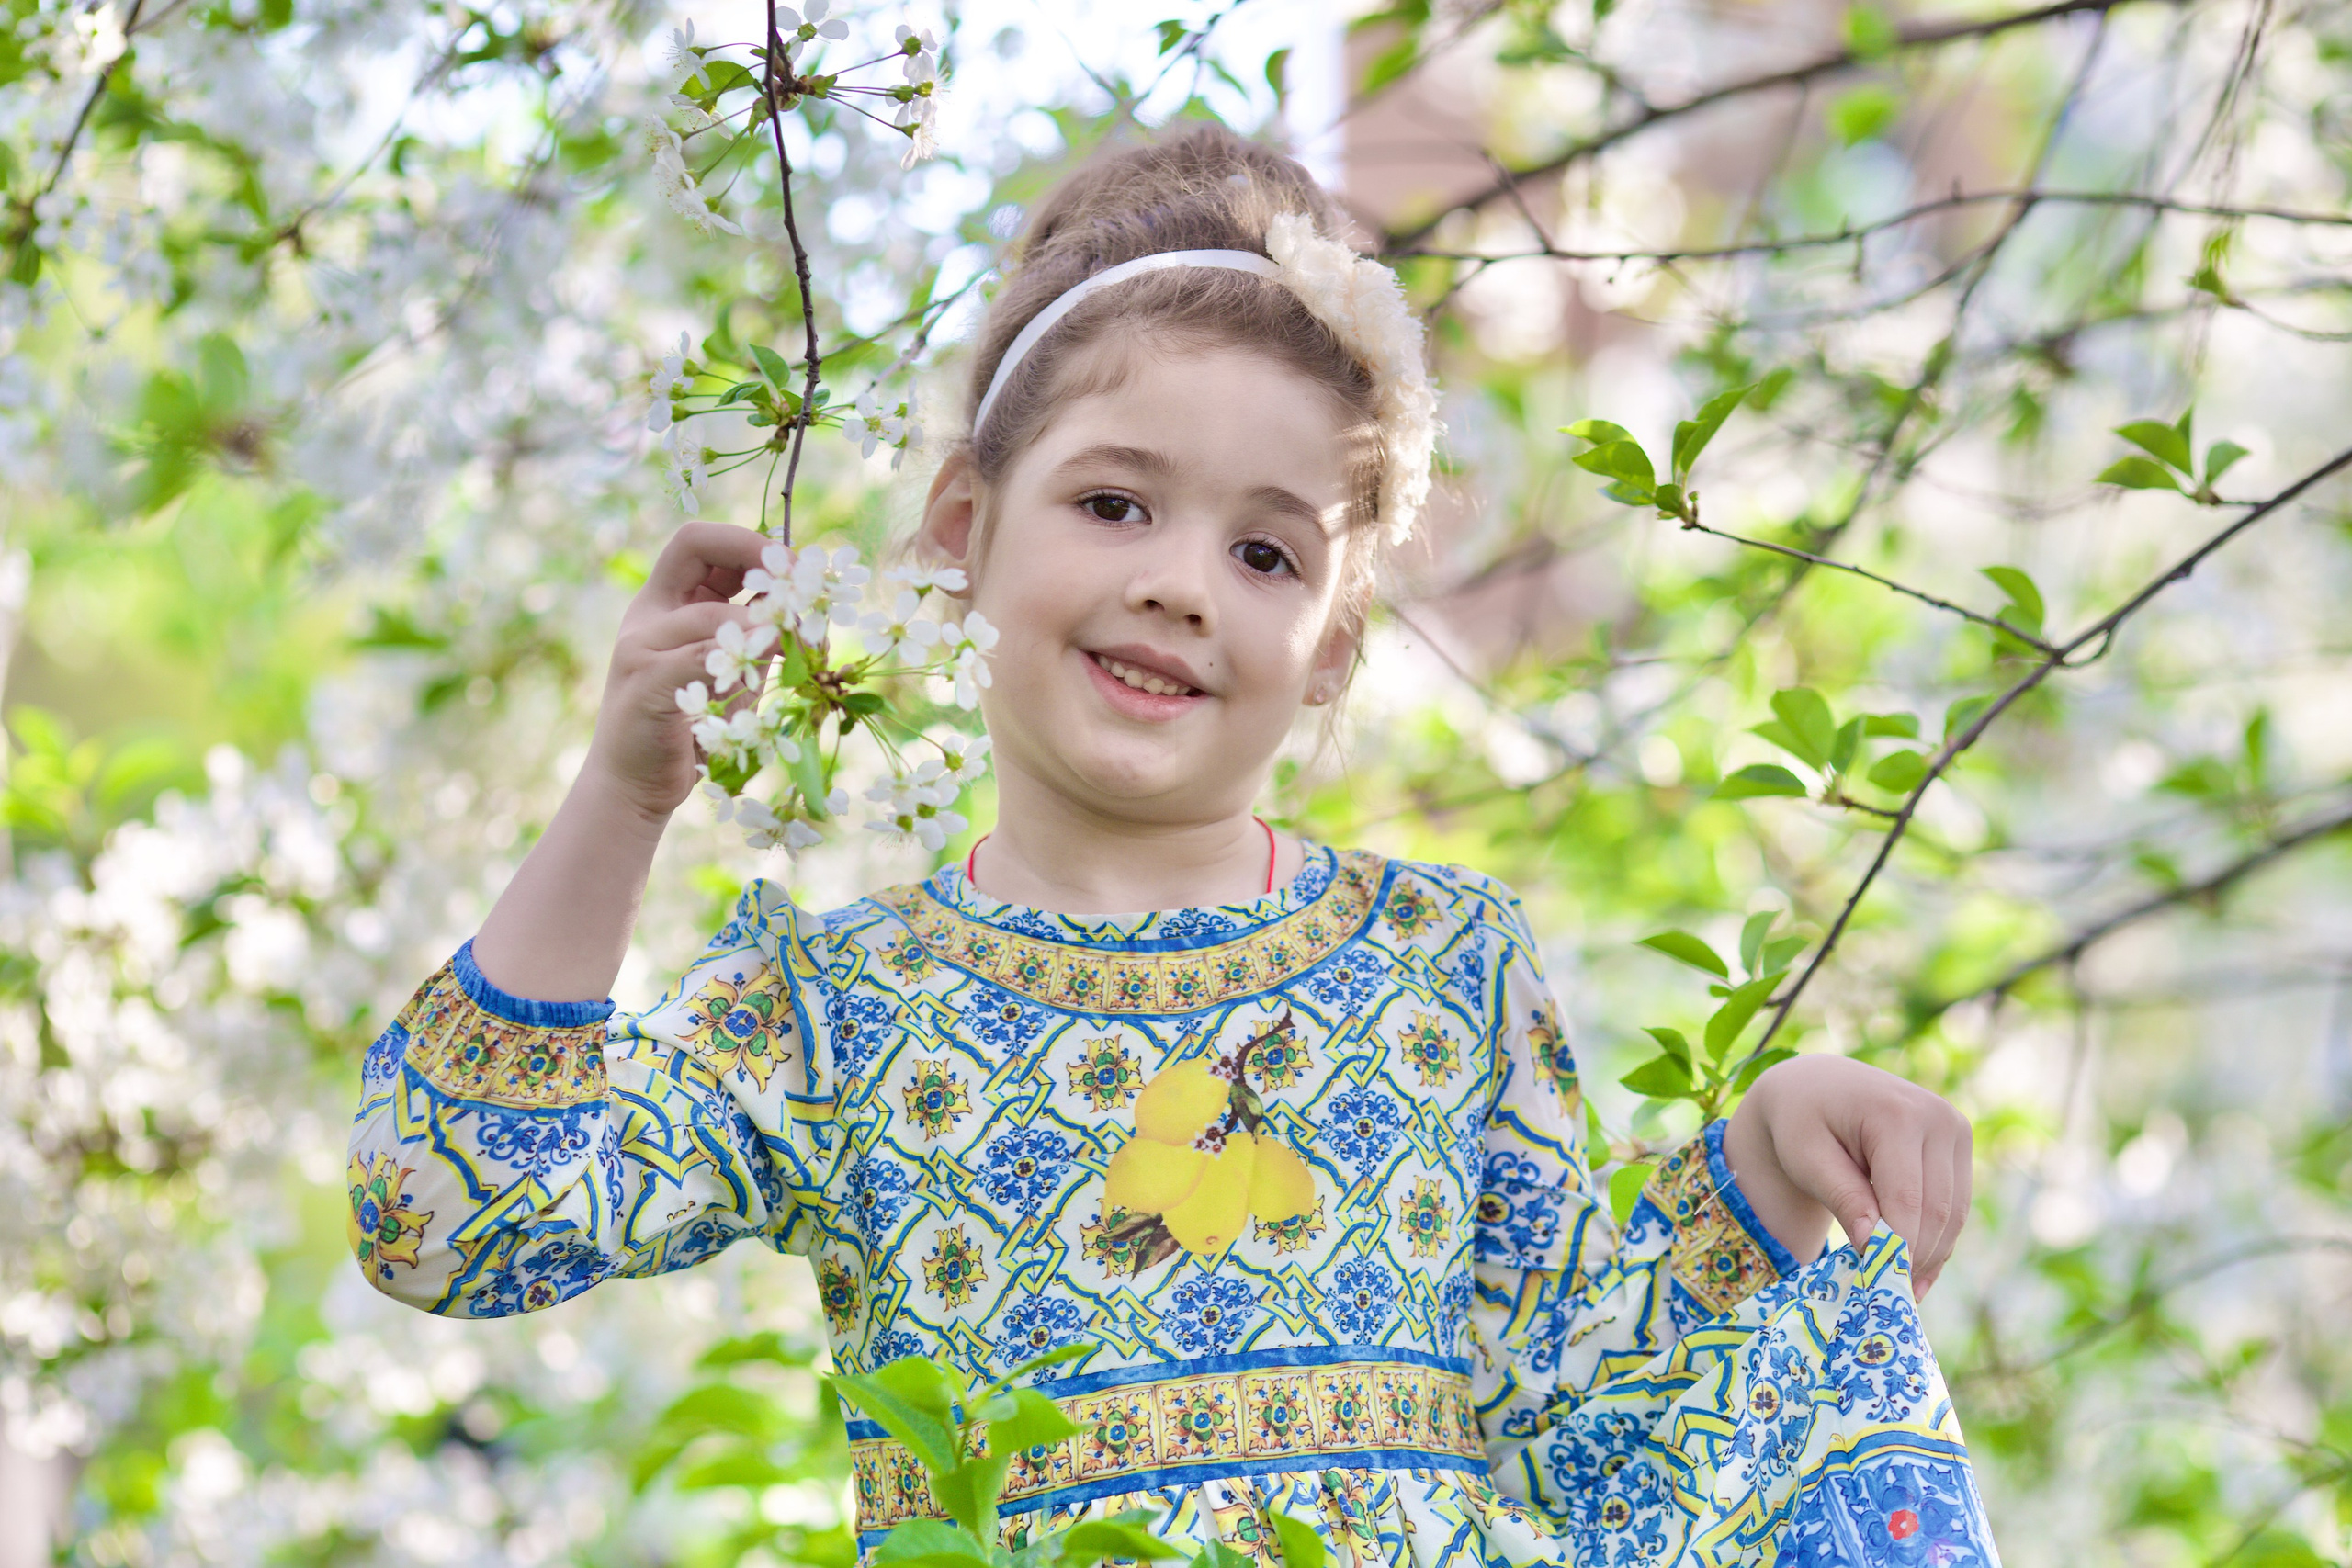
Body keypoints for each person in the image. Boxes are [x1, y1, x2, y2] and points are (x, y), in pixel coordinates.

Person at [347, 125, 1997, 1566]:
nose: (1184, 584)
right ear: (959, 537)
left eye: (1269, 553)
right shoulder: (834, 1014)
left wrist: (1773, 1156)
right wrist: (626, 799)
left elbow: (1580, 1408)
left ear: (1335, 648)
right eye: (1116, 505)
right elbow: (442, 1216)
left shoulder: (1441, 968)